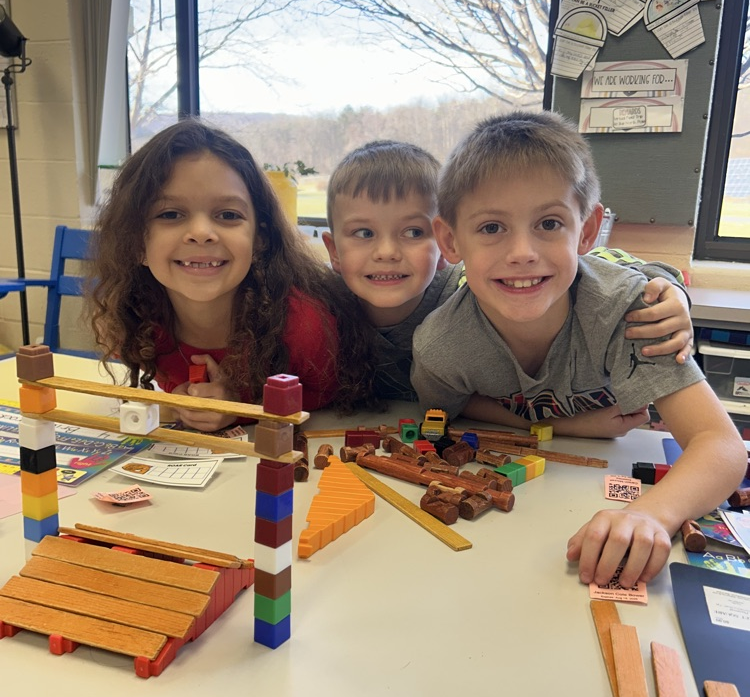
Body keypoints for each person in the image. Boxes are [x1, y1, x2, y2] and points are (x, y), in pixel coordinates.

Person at [411, 111, 747, 586]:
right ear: (450, 240)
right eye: (491, 228)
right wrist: (568, 425)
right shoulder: (441, 345)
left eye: (549, 223)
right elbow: (450, 414)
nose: (522, 251)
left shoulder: (632, 310)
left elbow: (722, 447)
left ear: (587, 231)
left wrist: (651, 515)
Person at [323, 138, 694, 409]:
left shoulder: (472, 287)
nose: (386, 252)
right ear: (334, 251)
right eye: (364, 233)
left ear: (444, 243)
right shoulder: (322, 306)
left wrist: (669, 287)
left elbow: (593, 261)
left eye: (413, 232)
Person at [89, 118, 376, 432]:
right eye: (170, 214)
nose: (200, 233)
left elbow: (324, 398)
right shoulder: (131, 317)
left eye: (228, 215)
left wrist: (242, 408)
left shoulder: (303, 327)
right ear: (136, 243)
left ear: (259, 241)